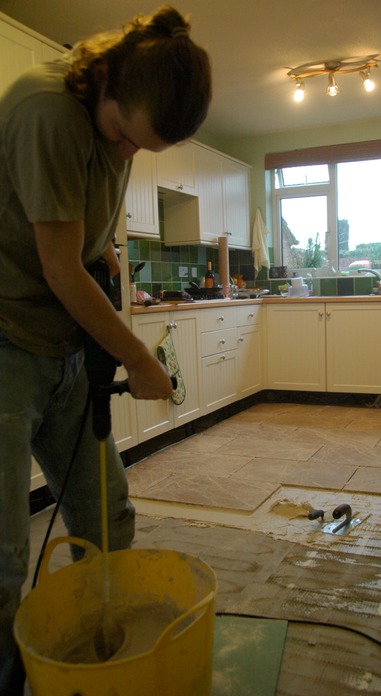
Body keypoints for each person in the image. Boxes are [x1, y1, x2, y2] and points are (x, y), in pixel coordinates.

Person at [0, 5, 212, 694]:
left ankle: (99, 654)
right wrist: (139, 358)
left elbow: (80, 235)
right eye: (123, 135)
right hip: (5, 338)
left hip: (61, 340)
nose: (125, 154)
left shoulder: (113, 122)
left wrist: (108, 252)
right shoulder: (45, 109)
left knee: (106, 519)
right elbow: (60, 268)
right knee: (3, 557)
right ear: (105, 82)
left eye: (139, 150)